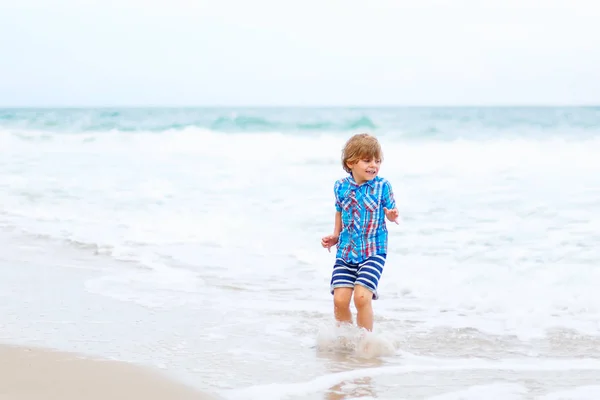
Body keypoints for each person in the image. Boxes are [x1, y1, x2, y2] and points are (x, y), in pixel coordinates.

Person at [321, 133, 399, 332]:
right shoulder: (340, 186)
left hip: (373, 250)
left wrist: (391, 215)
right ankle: (346, 340)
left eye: (377, 160)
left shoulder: (382, 186)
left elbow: (391, 214)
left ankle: (366, 341)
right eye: (367, 160)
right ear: (351, 162)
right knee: (340, 300)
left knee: (362, 297)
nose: (374, 165)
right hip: (346, 251)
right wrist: (335, 235)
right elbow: (339, 211)